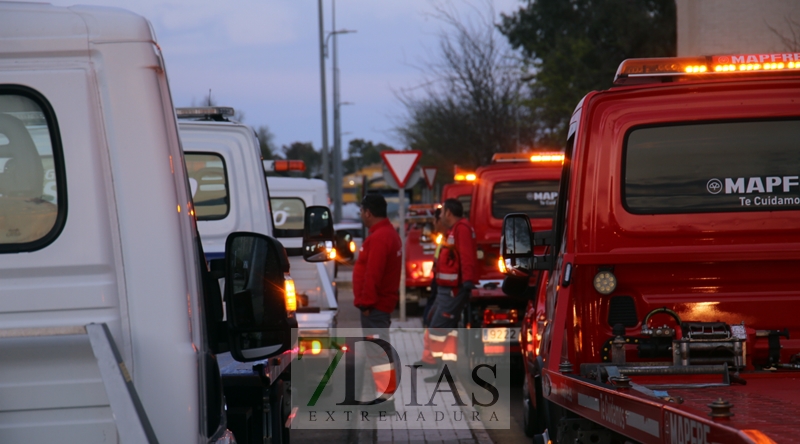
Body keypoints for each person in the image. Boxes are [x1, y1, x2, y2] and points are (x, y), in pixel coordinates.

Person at [352, 194, 402, 405]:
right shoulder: (386, 234)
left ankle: (385, 400)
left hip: (375, 307)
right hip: (380, 304)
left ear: (368, 212)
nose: (361, 215)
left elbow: (374, 273)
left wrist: (366, 303)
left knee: (379, 353)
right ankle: (384, 395)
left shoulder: (380, 238)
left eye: (362, 211)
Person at [424, 198, 478, 382]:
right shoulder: (455, 229)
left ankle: (445, 371)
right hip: (447, 288)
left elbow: (467, 256)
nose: (440, 216)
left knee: (437, 328)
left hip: (454, 289)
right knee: (446, 329)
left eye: (442, 212)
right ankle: (446, 372)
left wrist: (468, 281)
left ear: (448, 213)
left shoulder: (461, 229)